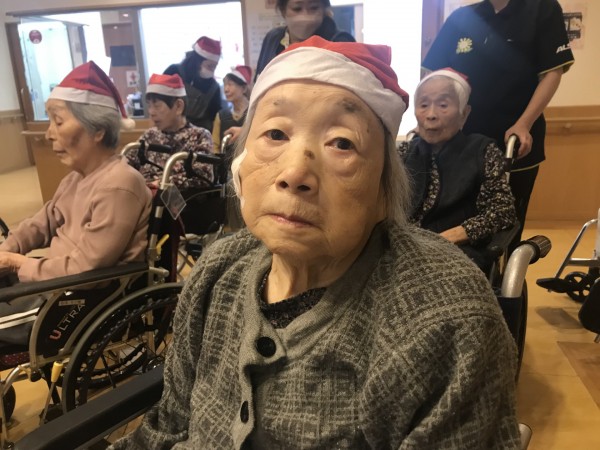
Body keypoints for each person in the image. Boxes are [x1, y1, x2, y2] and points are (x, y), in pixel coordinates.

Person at [110, 36, 520, 449]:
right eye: (275, 133)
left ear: (384, 190)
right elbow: (168, 428)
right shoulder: (218, 271)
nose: (294, 173)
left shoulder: (447, 322)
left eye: (342, 143)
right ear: (240, 167)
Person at [0, 61, 152, 346]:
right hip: (57, 283)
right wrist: (7, 251)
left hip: (81, 298)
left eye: (58, 122)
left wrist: (17, 263)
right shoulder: (76, 178)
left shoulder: (119, 184)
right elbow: (39, 224)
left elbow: (88, 270)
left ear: (98, 130)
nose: (49, 133)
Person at [422, 0, 575, 251]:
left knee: (505, 224)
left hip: (513, 140)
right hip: (461, 141)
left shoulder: (541, 9)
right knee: (453, 215)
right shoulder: (462, 17)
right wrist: (430, 114)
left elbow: (552, 73)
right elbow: (433, 77)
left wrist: (524, 124)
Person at [399, 69, 516, 272]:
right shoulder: (406, 152)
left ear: (464, 113)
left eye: (443, 105)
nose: (431, 115)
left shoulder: (482, 151)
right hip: (404, 249)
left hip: (458, 253)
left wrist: (447, 238)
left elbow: (502, 212)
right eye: (423, 105)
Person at [127, 73, 214, 190]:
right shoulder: (149, 135)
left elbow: (203, 177)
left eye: (157, 105)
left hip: (181, 200)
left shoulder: (200, 136)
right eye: (149, 105)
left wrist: (159, 184)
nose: (151, 112)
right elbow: (127, 164)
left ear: (178, 106)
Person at [255, 0, 354, 79]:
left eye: (314, 7)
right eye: (297, 8)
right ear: (283, 11)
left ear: (324, 10)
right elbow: (259, 79)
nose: (305, 16)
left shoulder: (341, 42)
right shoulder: (272, 38)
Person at [164, 36, 223, 131]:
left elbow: (215, 117)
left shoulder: (213, 87)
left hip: (199, 134)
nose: (212, 70)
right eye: (209, 66)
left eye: (214, 67)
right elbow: (158, 101)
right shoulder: (174, 72)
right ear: (197, 61)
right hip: (171, 130)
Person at [212, 65, 251, 155]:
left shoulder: (254, 111)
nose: (226, 89)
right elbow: (215, 146)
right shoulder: (221, 116)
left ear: (244, 88)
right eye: (225, 85)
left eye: (230, 84)